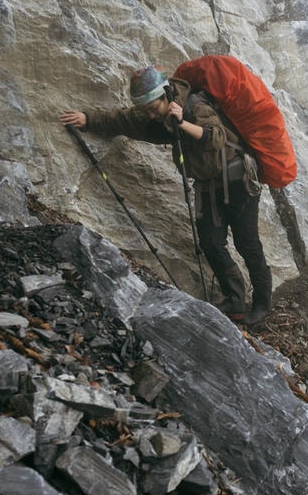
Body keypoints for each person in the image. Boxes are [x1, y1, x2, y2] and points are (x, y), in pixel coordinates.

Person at [60, 65, 272, 324]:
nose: (151, 115)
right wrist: (88, 119)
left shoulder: (195, 105)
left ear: (167, 95)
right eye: (146, 110)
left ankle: (262, 303)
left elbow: (214, 137)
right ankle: (235, 300)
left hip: (237, 179)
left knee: (247, 243)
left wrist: (182, 123)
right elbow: (122, 120)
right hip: (207, 184)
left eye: (154, 108)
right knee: (210, 242)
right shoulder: (155, 116)